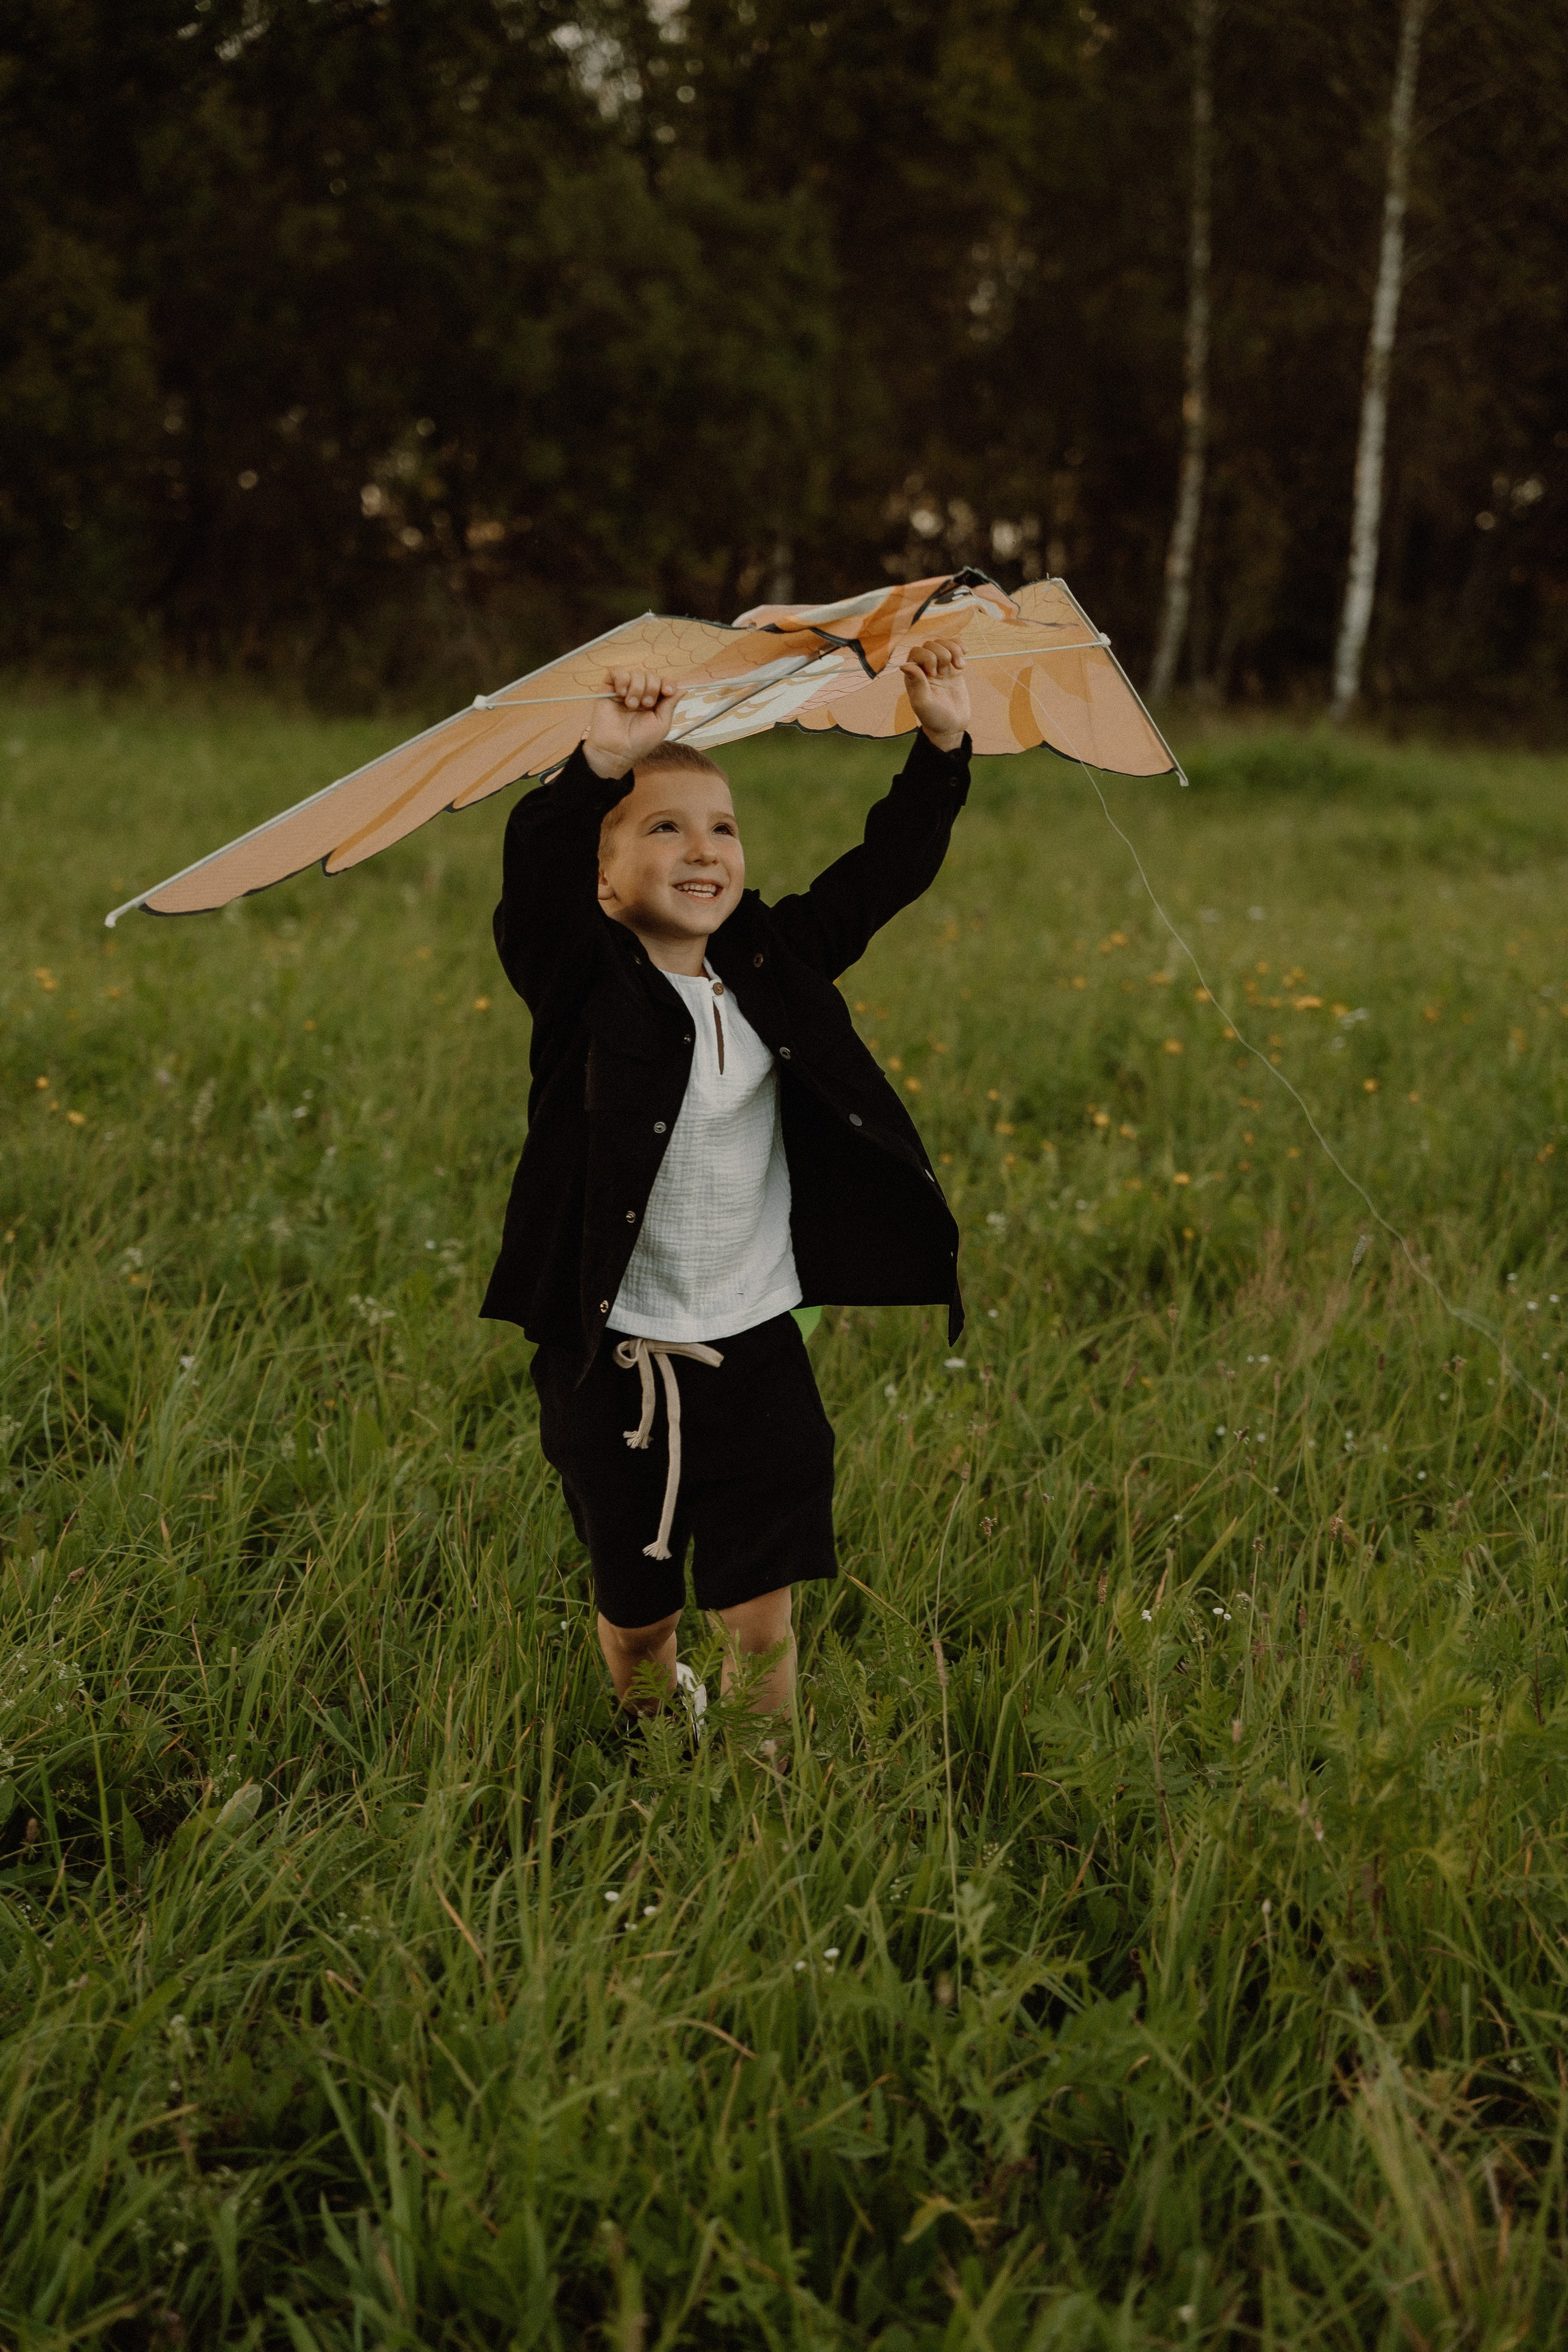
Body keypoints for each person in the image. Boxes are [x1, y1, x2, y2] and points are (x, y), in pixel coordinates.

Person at [481, 636, 973, 1739]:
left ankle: (762, 1786)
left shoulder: (769, 964)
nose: (704, 850)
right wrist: (604, 763)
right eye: (664, 827)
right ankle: (651, 1731)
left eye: (723, 828)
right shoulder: (580, 982)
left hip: (752, 1344)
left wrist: (940, 746)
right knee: (639, 1617)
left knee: (761, 1613)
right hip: (611, 1355)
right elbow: (534, 888)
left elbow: (876, 878)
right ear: (603, 880)